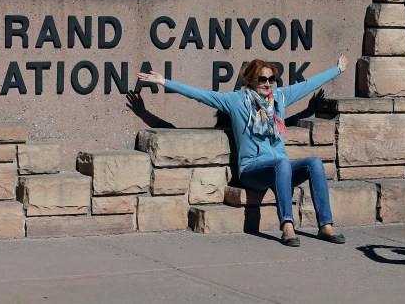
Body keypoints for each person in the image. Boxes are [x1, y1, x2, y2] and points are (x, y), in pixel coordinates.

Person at [137, 55, 349, 247]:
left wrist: (337, 70)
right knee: (282, 164)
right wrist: (164, 81)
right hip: (252, 171)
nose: (267, 83)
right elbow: (201, 95)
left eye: (271, 79)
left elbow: (307, 85)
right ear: (250, 80)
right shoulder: (236, 101)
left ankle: (325, 225)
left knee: (314, 163)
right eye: (262, 79)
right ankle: (287, 225)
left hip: (280, 170)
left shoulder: (280, 98)